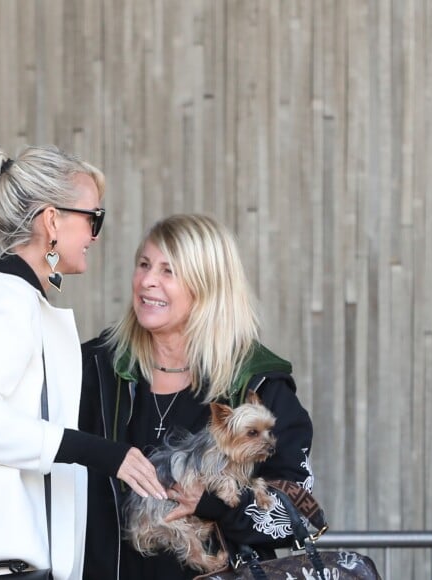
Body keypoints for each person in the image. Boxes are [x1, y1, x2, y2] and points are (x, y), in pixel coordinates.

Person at [0, 145, 166, 580]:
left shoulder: (9, 294)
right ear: (52, 220)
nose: (95, 235)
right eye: (93, 218)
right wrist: (102, 453)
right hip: (2, 561)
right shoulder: (6, 299)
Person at [78, 213, 314, 580]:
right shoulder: (95, 369)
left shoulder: (258, 384)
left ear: (208, 286)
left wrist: (211, 503)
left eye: (168, 271)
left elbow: (297, 512)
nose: (147, 281)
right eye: (144, 264)